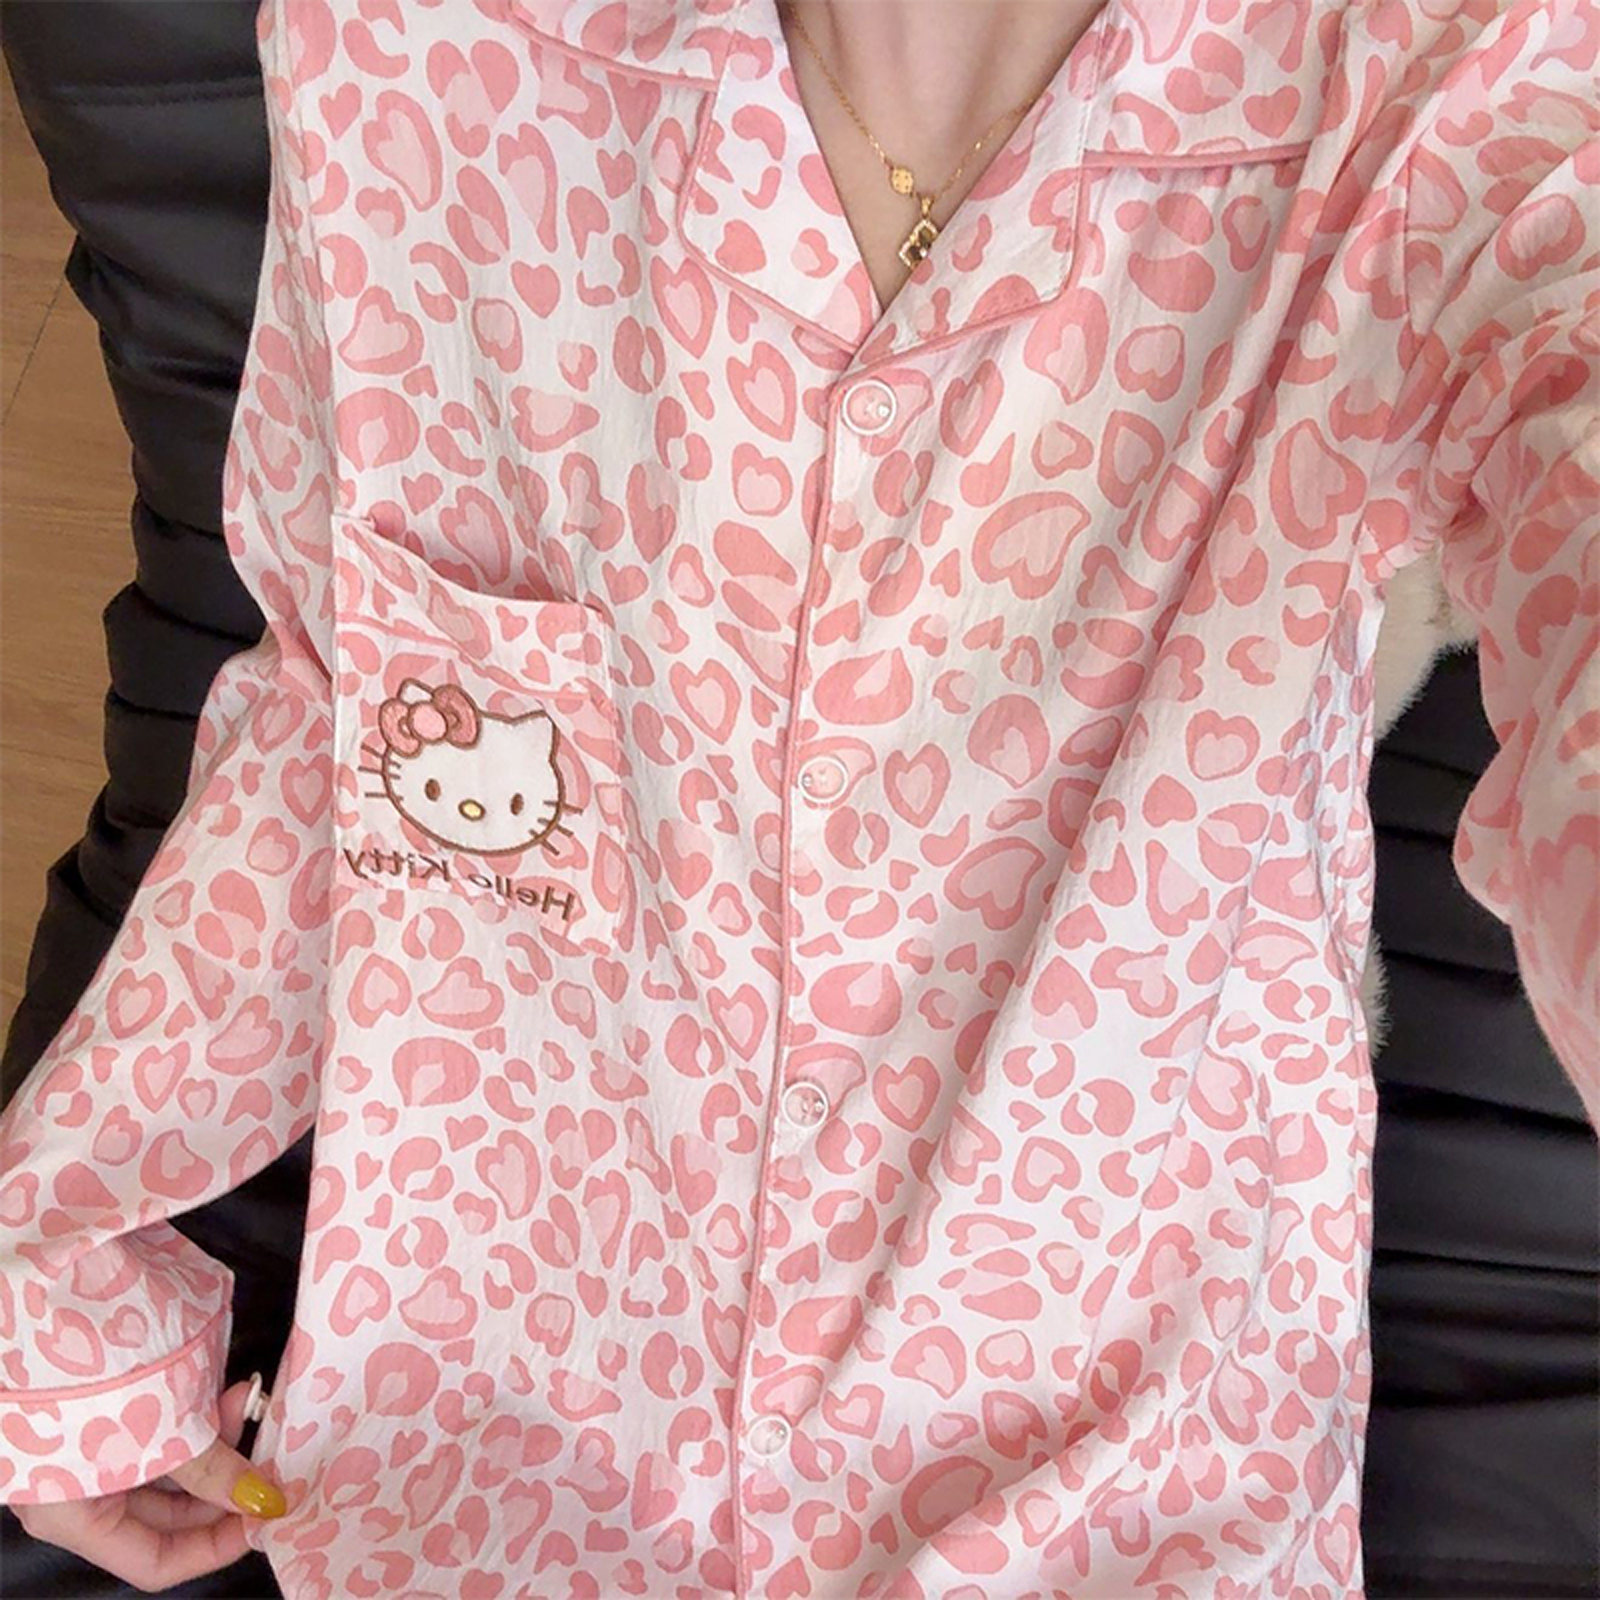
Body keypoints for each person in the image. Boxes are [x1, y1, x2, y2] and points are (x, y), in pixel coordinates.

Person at [2, 0, 1596, 1594]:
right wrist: (52, 1259)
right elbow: (350, 717)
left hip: (1110, 1515)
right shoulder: (417, 55)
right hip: (497, 1476)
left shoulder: (1460, 103)